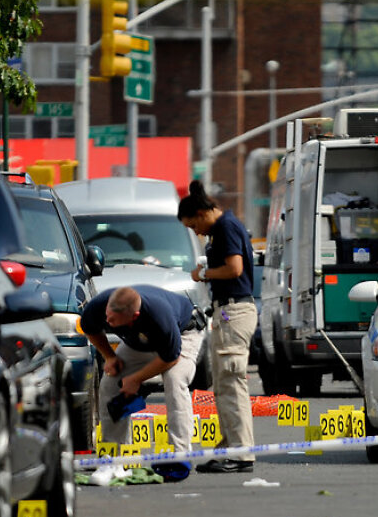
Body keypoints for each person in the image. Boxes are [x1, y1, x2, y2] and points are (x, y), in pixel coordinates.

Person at [178, 180, 258, 473]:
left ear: (201, 213)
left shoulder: (225, 228)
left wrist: (204, 273)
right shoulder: (226, 226)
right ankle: (229, 447)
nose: (196, 232)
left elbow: (234, 268)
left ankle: (240, 453)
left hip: (234, 311)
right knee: (223, 385)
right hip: (229, 311)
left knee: (232, 383)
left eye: (193, 225)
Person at [80, 285, 205, 470]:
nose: (107, 320)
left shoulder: (159, 315)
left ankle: (180, 455)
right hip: (137, 341)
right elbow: (90, 329)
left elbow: (170, 358)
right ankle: (113, 454)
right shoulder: (98, 306)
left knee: (174, 379)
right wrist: (110, 357)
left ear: (134, 316)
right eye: (107, 316)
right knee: (110, 384)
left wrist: (135, 379)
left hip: (183, 333)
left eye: (113, 320)